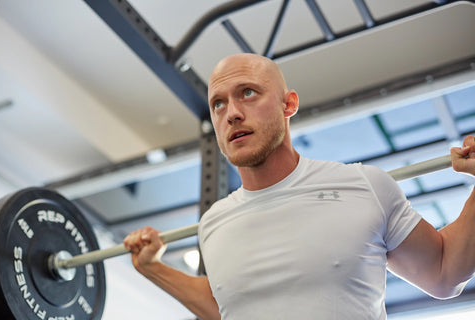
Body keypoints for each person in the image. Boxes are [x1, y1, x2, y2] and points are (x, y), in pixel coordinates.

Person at [124, 53, 475, 319]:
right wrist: (153, 267)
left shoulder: (364, 187)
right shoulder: (213, 223)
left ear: (288, 104)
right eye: (218, 103)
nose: (231, 113)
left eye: (247, 93)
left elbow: (443, 272)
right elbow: (226, 306)